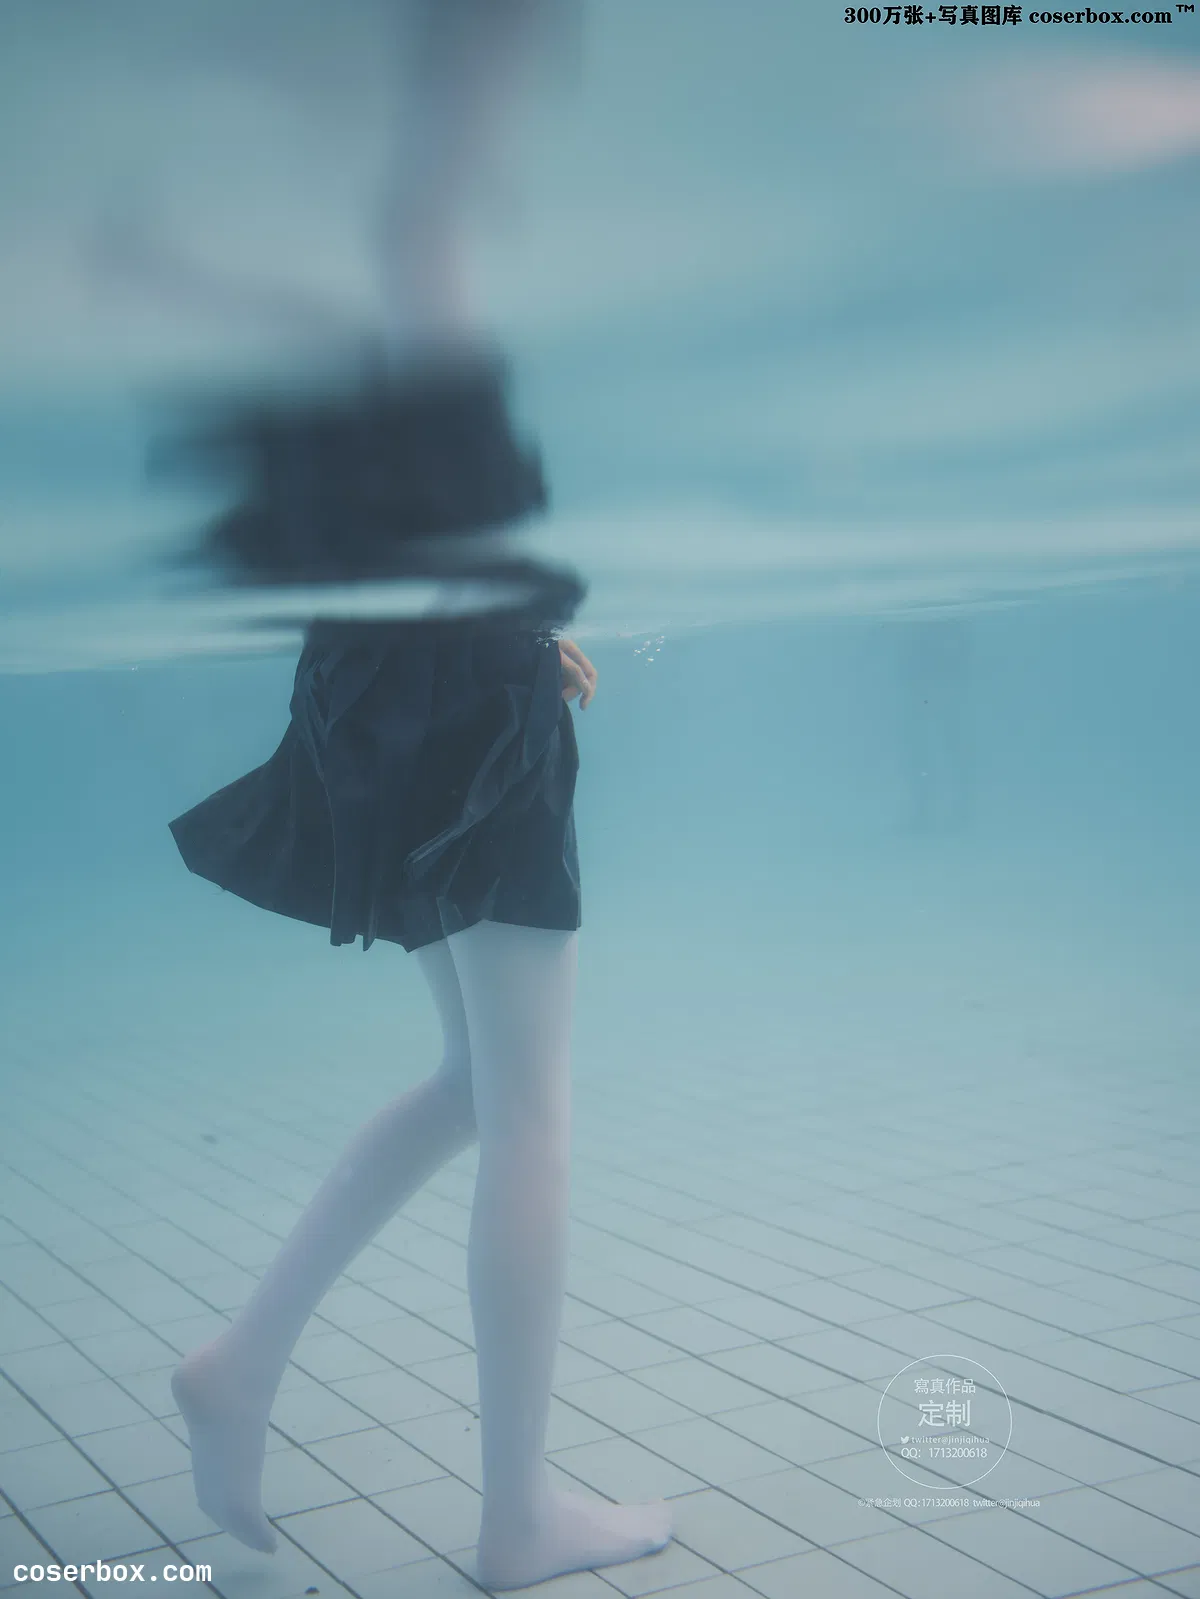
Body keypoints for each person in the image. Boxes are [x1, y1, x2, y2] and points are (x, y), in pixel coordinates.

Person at [110, 1, 675, 1587]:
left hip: (386, 678)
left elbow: (388, 461)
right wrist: (508, 624)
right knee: (529, 1106)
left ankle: (240, 1363)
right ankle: (513, 1516)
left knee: (476, 1084)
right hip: (459, 693)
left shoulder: (332, 235)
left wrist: (513, 615)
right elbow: (417, 331)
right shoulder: (412, 204)